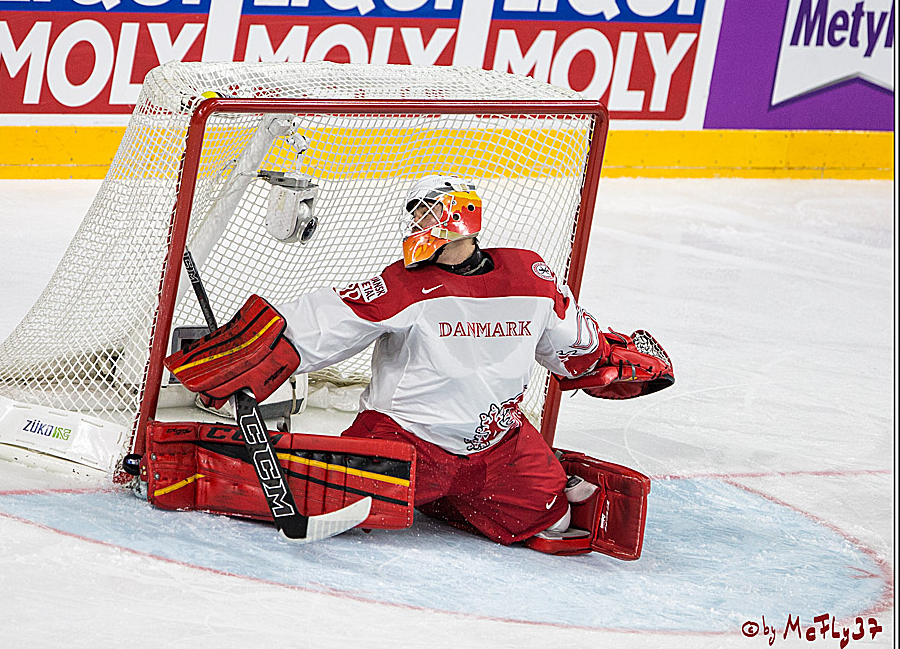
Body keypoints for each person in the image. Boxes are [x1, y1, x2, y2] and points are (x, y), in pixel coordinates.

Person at [260, 174, 674, 553]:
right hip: (408, 440)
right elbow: (329, 321)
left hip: (497, 448)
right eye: (415, 215)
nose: (417, 224)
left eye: (426, 212)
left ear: (459, 217)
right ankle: (437, 490)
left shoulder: (530, 279)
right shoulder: (404, 285)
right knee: (312, 495)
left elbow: (574, 351)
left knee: (557, 519)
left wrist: (612, 362)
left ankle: (447, 493)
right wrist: (259, 345)